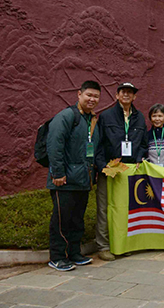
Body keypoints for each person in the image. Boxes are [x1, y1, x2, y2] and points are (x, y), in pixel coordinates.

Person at [46, 80, 101, 271]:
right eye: (89, 95)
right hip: (64, 180)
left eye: (96, 96)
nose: (92, 99)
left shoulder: (91, 120)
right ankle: (57, 257)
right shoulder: (66, 116)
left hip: (83, 179)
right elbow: (54, 145)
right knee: (61, 220)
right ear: (79, 94)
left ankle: (74, 253)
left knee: (77, 219)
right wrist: (58, 173)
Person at [94, 82, 148, 262]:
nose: (126, 95)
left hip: (129, 170)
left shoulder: (139, 117)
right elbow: (98, 144)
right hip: (110, 168)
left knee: (125, 208)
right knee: (104, 208)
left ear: (134, 97)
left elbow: (143, 144)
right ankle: (103, 246)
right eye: (123, 92)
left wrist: (139, 157)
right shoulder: (106, 116)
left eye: (130, 92)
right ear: (117, 95)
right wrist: (103, 166)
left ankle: (122, 244)